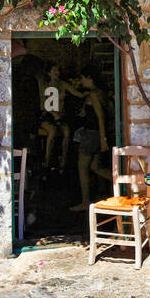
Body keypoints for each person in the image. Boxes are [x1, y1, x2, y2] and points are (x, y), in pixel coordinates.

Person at [64, 68, 109, 210]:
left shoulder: (94, 95)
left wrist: (103, 139)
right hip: (95, 134)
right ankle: (121, 183)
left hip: (92, 135)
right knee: (96, 167)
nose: (82, 81)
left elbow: (100, 118)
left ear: (90, 79)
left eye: (83, 78)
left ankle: (85, 201)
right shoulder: (100, 93)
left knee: (82, 168)